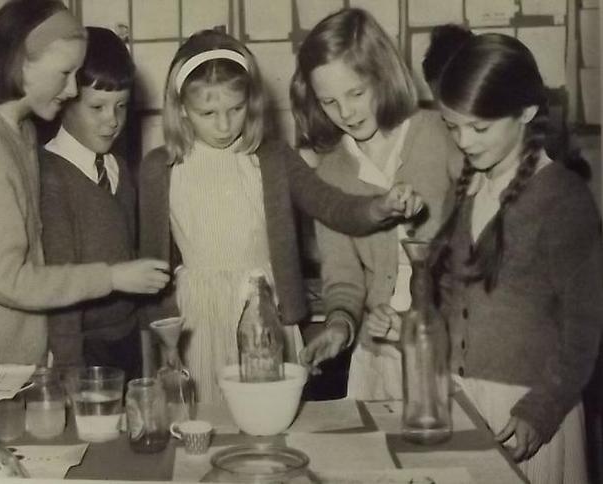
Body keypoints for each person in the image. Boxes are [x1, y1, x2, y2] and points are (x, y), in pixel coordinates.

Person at [139, 29, 424, 403]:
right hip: (198, 319)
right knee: (205, 417)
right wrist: (160, 341)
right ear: (180, 109)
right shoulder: (159, 168)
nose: (224, 125)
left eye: (236, 109)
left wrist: (379, 207)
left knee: (270, 416)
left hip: (266, 312)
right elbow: (151, 270)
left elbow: (331, 205)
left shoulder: (273, 158)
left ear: (253, 102)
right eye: (207, 113)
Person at [0, 0, 169, 366]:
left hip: (15, 354)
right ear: (22, 63)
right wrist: (111, 277)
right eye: (65, 73)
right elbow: (9, 280)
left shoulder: (19, 133)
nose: (73, 89)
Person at [427, 27, 603, 484]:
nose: (464, 141)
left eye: (479, 128)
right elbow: (452, 295)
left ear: (525, 111)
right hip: (465, 399)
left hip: (528, 411)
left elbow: (583, 329)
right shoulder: (467, 188)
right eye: (453, 126)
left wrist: (540, 410)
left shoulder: (563, 198)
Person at [292, 8, 462, 399]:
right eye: (329, 101)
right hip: (379, 354)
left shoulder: (441, 134)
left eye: (356, 93)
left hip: (449, 345)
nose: (345, 113)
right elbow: (344, 277)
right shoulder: (331, 173)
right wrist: (339, 325)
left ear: (383, 76)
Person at [39, 27, 144, 380]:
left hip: (126, 339)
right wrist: (69, 366)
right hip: (81, 346)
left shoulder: (119, 168)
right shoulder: (50, 176)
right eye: (97, 107)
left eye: (121, 106)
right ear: (65, 99)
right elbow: (59, 286)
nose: (112, 120)